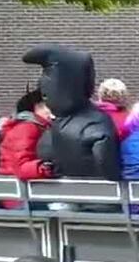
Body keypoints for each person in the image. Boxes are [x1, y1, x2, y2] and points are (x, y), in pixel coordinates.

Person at [23, 45, 122, 182]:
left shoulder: (89, 122)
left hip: (85, 195)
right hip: (89, 194)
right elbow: (108, 167)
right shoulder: (92, 121)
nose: (47, 97)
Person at [0, 89, 55, 209]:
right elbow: (21, 167)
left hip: (24, 191)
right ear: (37, 107)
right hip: (20, 196)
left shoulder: (36, 127)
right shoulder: (27, 128)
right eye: (50, 107)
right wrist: (45, 168)